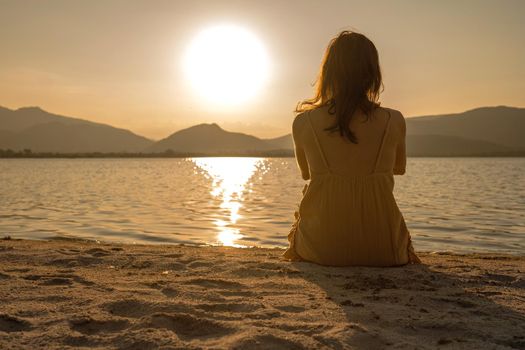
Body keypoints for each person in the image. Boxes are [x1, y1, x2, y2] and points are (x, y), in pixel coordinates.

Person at [283, 31, 421, 266]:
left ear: (328, 73)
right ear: (373, 73)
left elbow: (307, 174)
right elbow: (398, 168)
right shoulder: (394, 120)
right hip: (385, 250)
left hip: (321, 249)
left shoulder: (303, 123)